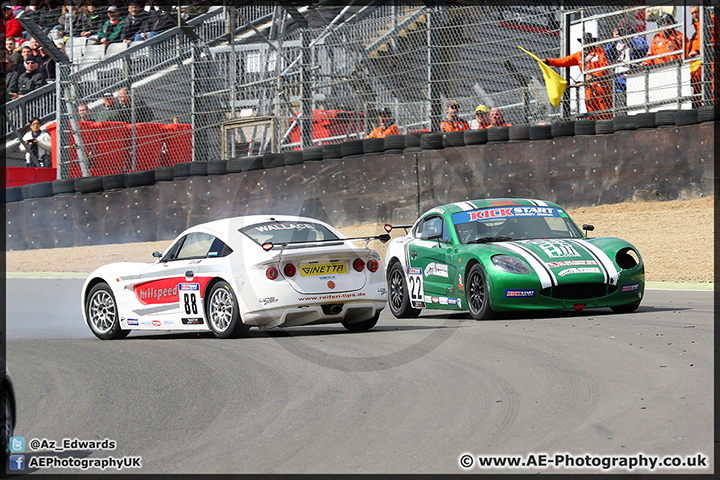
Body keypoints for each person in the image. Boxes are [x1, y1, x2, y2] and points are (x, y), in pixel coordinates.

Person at [544, 32, 613, 120]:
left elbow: (605, 67)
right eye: (584, 41)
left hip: (601, 85)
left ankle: (608, 125)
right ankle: (595, 127)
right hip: (589, 87)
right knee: (590, 106)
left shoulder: (599, 51)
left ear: (592, 42)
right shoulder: (579, 55)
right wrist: (548, 61)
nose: (586, 43)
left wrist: (594, 75)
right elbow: (564, 61)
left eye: (588, 41)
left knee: (604, 108)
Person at [604, 18, 648, 107]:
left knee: (635, 103)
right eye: (620, 28)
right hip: (620, 77)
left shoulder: (638, 38)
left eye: (624, 28)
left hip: (634, 75)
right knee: (620, 104)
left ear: (630, 28)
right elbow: (608, 55)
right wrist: (613, 41)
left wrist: (627, 39)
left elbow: (642, 49)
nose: (622, 30)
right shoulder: (617, 42)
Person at [687, 4, 716, 108]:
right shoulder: (694, 36)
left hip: (709, 65)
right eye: (692, 13)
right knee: (699, 99)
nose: (695, 15)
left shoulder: (710, 21)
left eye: (696, 12)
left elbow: (711, 39)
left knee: (711, 93)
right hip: (697, 73)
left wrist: (698, 51)